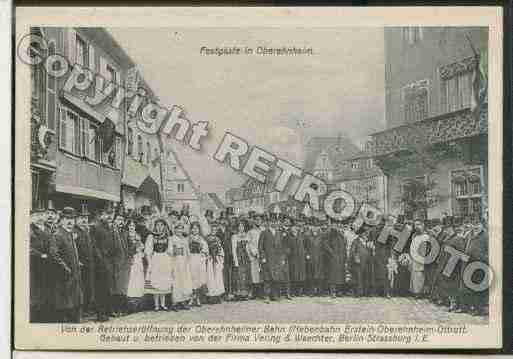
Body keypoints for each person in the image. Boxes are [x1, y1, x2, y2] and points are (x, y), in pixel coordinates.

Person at [51, 207, 83, 323]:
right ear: (61, 220)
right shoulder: (58, 234)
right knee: (65, 308)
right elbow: (54, 255)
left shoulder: (69, 234)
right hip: (64, 278)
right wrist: (67, 269)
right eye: (67, 219)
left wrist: (76, 263)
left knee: (75, 305)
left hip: (74, 276)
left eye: (72, 219)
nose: (70, 222)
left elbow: (70, 253)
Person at [30, 204, 56, 322]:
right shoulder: (30, 230)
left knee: (48, 291)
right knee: (37, 292)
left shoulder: (48, 228)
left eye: (42, 215)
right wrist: (40, 255)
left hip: (49, 264)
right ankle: (37, 316)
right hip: (36, 265)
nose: (40, 217)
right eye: (37, 215)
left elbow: (52, 244)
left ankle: (48, 315)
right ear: (32, 217)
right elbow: (28, 248)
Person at [258, 213, 289, 303]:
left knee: (276, 277)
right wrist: (263, 257)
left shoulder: (279, 233)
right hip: (268, 258)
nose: (274, 223)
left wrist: (283, 258)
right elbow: (260, 247)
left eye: (275, 221)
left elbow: (283, 247)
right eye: (272, 221)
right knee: (267, 278)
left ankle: (274, 295)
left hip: (277, 259)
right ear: (268, 222)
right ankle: (266, 296)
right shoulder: (264, 233)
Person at [145, 218, 173, 311]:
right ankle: (156, 305)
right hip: (155, 259)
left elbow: (170, 250)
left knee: (163, 281)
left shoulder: (168, 237)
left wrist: (169, 257)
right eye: (158, 225)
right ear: (155, 226)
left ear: (164, 226)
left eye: (161, 225)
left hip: (164, 259)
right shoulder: (151, 237)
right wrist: (150, 261)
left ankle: (163, 304)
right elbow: (148, 251)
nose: (159, 227)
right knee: (156, 280)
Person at [74, 207, 96, 316]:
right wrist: (77, 260)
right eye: (81, 217)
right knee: (81, 287)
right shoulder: (74, 232)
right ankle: (81, 310)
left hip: (89, 263)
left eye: (86, 217)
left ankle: (87, 308)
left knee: (89, 286)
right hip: (80, 264)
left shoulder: (87, 231)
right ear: (76, 219)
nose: (84, 220)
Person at [169, 220, 193, 310]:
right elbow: (169, 250)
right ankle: (175, 302)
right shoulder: (171, 239)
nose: (179, 231)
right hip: (175, 261)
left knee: (184, 280)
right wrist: (175, 251)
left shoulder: (184, 239)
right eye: (177, 229)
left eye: (181, 229)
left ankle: (184, 301)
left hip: (184, 262)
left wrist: (188, 260)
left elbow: (187, 251)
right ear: (174, 230)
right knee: (176, 281)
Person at [111, 211, 130, 316]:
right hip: (115, 263)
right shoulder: (112, 232)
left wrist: (129, 257)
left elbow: (130, 246)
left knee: (123, 287)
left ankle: (123, 309)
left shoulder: (125, 233)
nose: (120, 222)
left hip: (124, 264)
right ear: (115, 221)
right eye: (118, 219)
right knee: (115, 288)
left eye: (122, 220)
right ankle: (115, 309)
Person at [323, 219, 347, 297]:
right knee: (332, 275)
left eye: (339, 224)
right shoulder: (330, 233)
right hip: (333, 257)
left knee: (340, 275)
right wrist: (332, 253)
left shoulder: (342, 234)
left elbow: (344, 245)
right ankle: (332, 291)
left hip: (341, 257)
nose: (338, 226)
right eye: (336, 224)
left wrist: (344, 256)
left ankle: (339, 291)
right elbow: (325, 244)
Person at [126, 218, 146, 313]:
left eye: (133, 226)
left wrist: (139, 246)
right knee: (131, 279)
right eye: (130, 225)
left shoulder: (137, 236)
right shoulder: (126, 235)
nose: (131, 227)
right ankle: (131, 303)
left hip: (138, 258)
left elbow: (142, 247)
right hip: (131, 258)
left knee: (138, 279)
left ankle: (139, 302)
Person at [189, 221, 209, 306]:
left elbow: (206, 250)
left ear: (199, 229)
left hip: (199, 259)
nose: (195, 230)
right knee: (191, 278)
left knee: (198, 278)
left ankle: (198, 299)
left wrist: (203, 254)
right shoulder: (188, 238)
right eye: (193, 228)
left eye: (196, 228)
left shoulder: (201, 239)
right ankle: (191, 298)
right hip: (190, 259)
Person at [232, 219, 252, 300]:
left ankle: (245, 293)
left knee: (246, 274)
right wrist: (235, 260)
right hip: (239, 257)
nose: (241, 228)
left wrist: (250, 257)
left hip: (245, 257)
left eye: (242, 226)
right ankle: (238, 293)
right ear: (237, 227)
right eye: (239, 226)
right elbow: (234, 249)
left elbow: (248, 247)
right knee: (239, 275)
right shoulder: (234, 236)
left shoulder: (247, 236)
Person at [205, 222, 225, 303]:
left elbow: (220, 248)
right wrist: (208, 255)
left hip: (216, 258)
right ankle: (211, 296)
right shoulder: (206, 238)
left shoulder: (218, 239)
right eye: (212, 229)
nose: (213, 231)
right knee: (210, 277)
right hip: (210, 259)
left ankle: (217, 295)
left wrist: (220, 256)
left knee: (218, 277)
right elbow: (205, 248)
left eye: (215, 229)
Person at [288, 218, 307, 297]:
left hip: (301, 258)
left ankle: (300, 291)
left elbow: (305, 245)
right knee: (293, 274)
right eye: (294, 227)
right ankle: (292, 292)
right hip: (293, 258)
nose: (295, 228)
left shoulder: (302, 236)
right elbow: (287, 246)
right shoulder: (289, 236)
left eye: (297, 227)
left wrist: (305, 253)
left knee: (301, 275)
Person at [409, 219, 427, 298]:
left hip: (421, 259)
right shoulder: (414, 236)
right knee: (414, 275)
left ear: (423, 225)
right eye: (415, 225)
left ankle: (420, 292)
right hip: (414, 258)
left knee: (420, 275)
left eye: (419, 224)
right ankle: (415, 291)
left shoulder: (426, 236)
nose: (417, 227)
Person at [305, 219, 323, 296]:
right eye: (314, 226)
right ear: (311, 227)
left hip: (319, 258)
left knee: (319, 275)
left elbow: (324, 246)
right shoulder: (307, 236)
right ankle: (311, 291)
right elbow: (304, 247)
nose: (315, 228)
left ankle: (319, 291)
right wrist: (307, 254)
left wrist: (322, 255)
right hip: (311, 258)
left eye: (317, 226)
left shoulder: (322, 236)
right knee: (310, 275)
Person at [247, 215, 263, 298]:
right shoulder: (250, 232)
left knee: (262, 273)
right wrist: (254, 253)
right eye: (256, 220)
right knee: (254, 274)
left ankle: (262, 292)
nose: (258, 222)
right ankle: (254, 292)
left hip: (263, 255)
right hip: (254, 255)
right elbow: (249, 244)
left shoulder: (263, 230)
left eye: (259, 220)